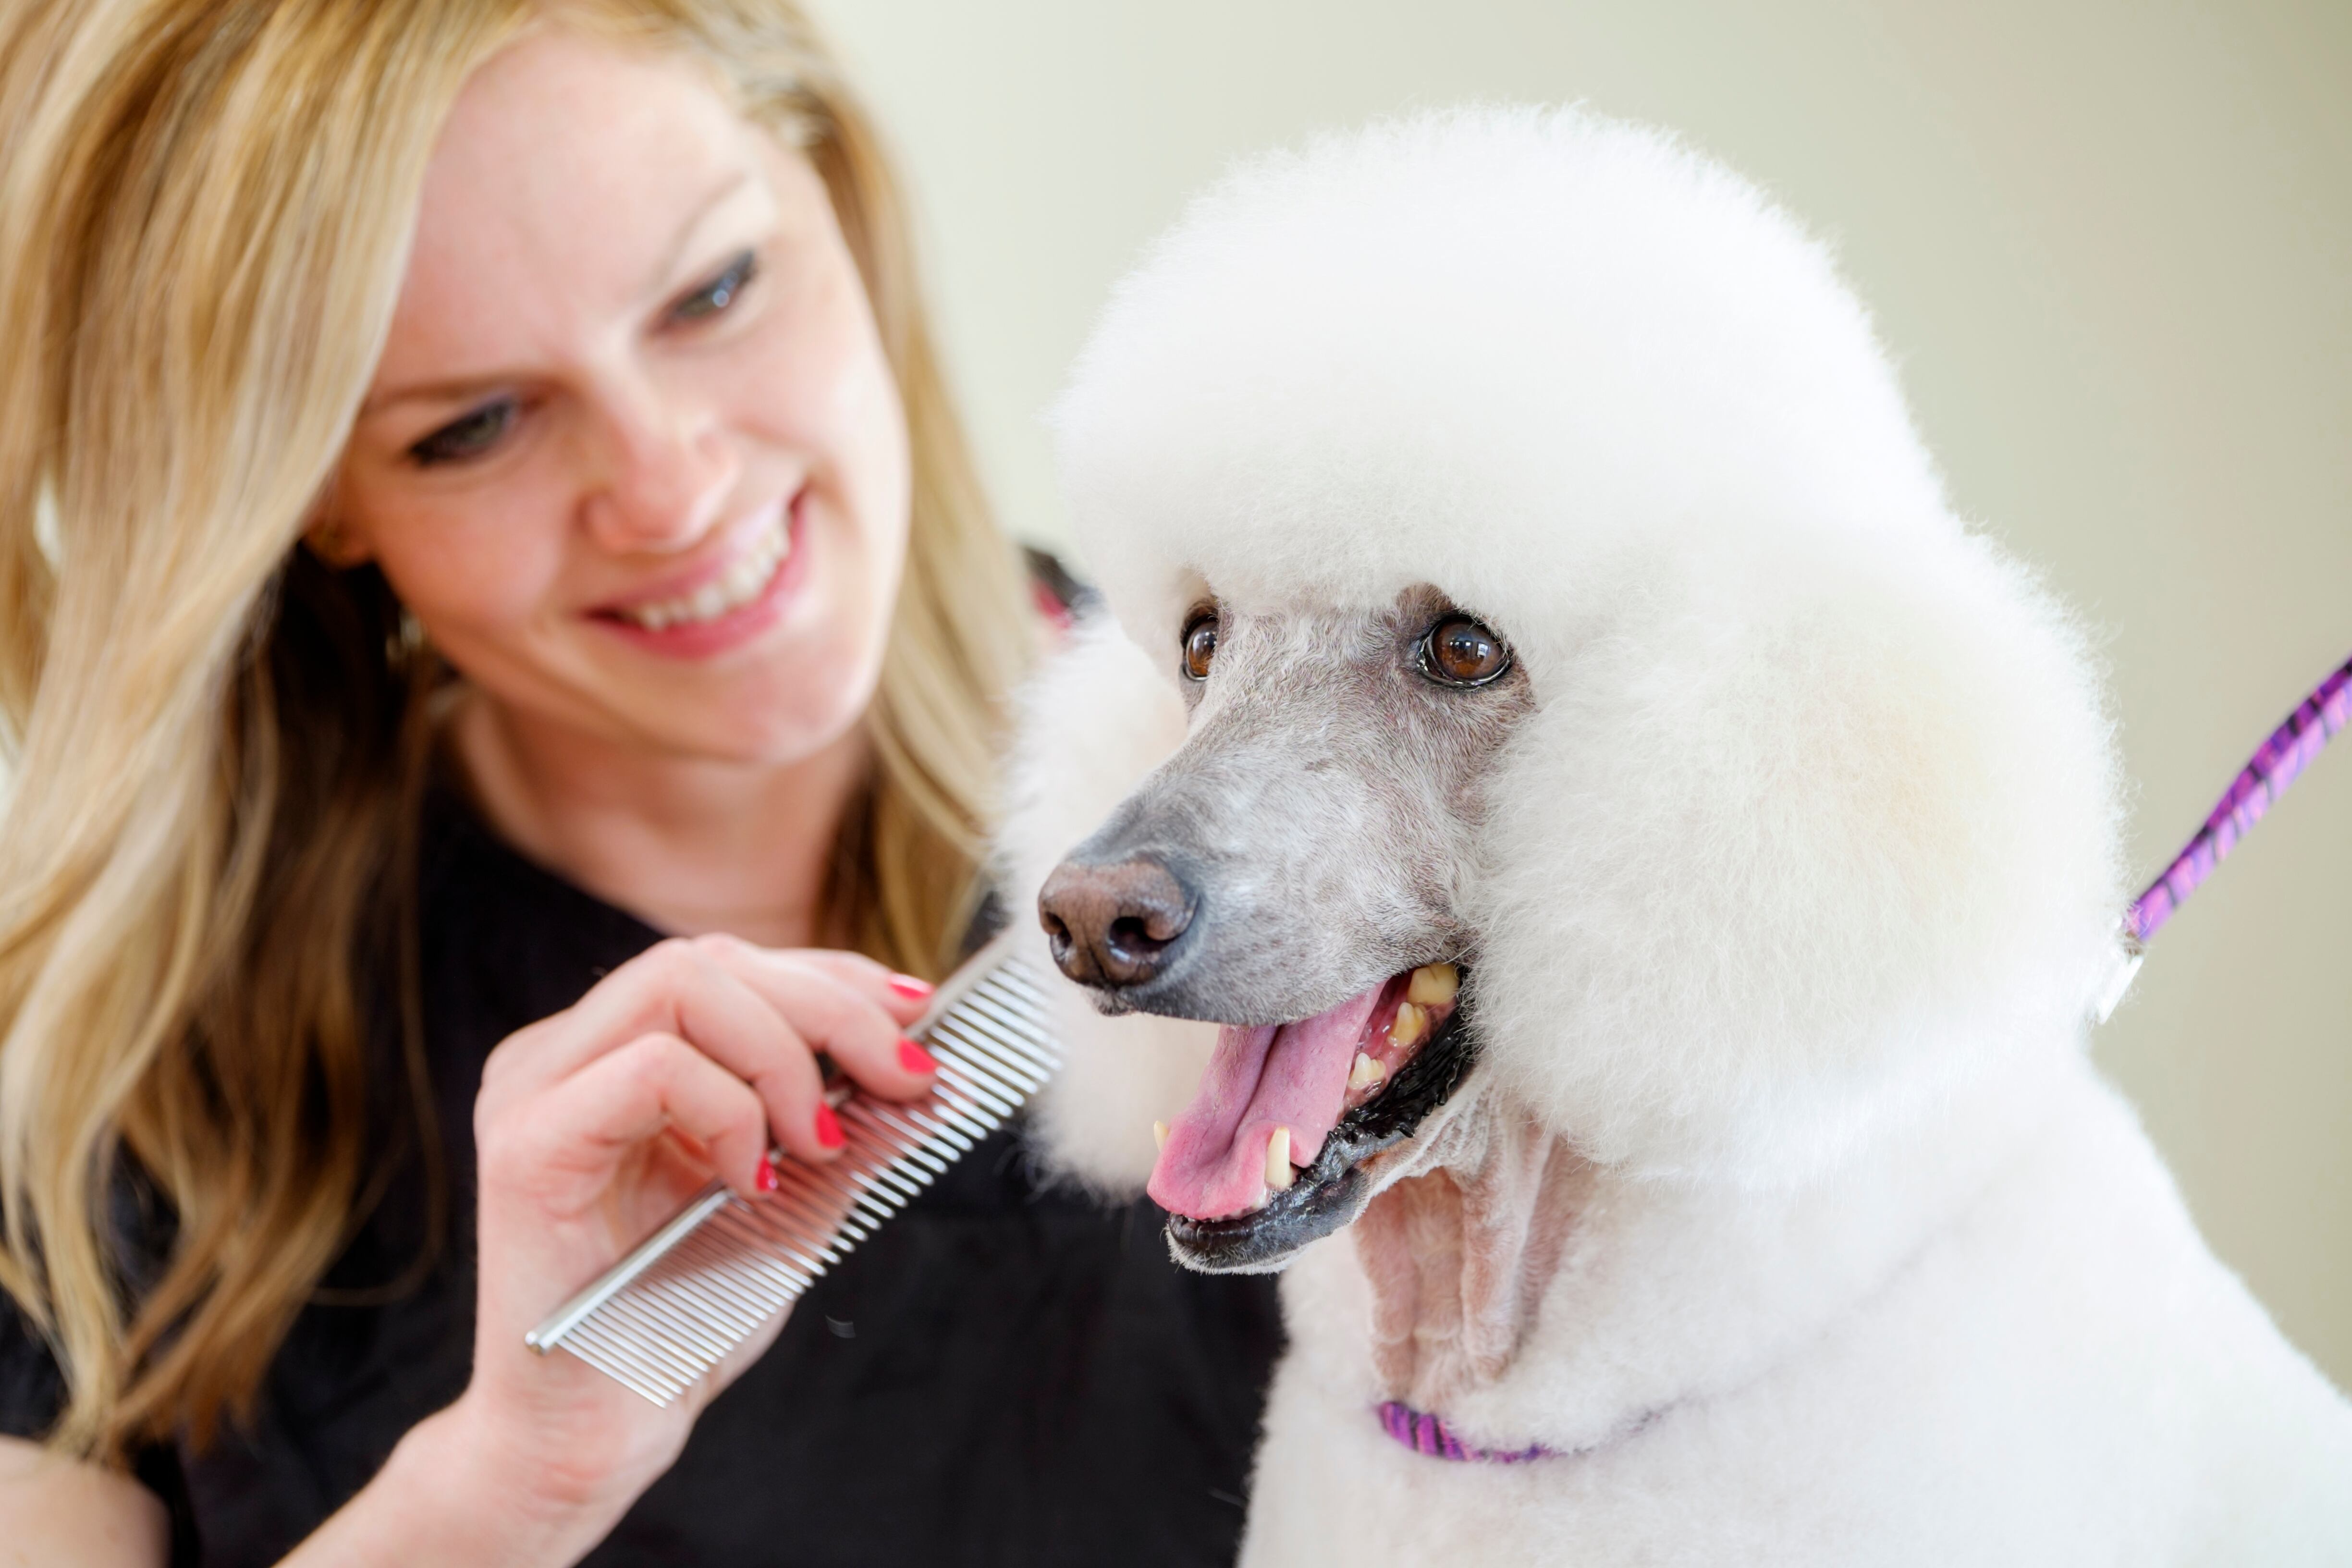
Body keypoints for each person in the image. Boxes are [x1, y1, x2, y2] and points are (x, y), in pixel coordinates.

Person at [0, 2, 1280, 1563]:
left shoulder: (1366, 804)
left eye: (714, 291)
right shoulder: (88, 1113)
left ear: (837, 196)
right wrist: (503, 1487)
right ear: (312, 495)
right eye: (473, 426)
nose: (671, 491)